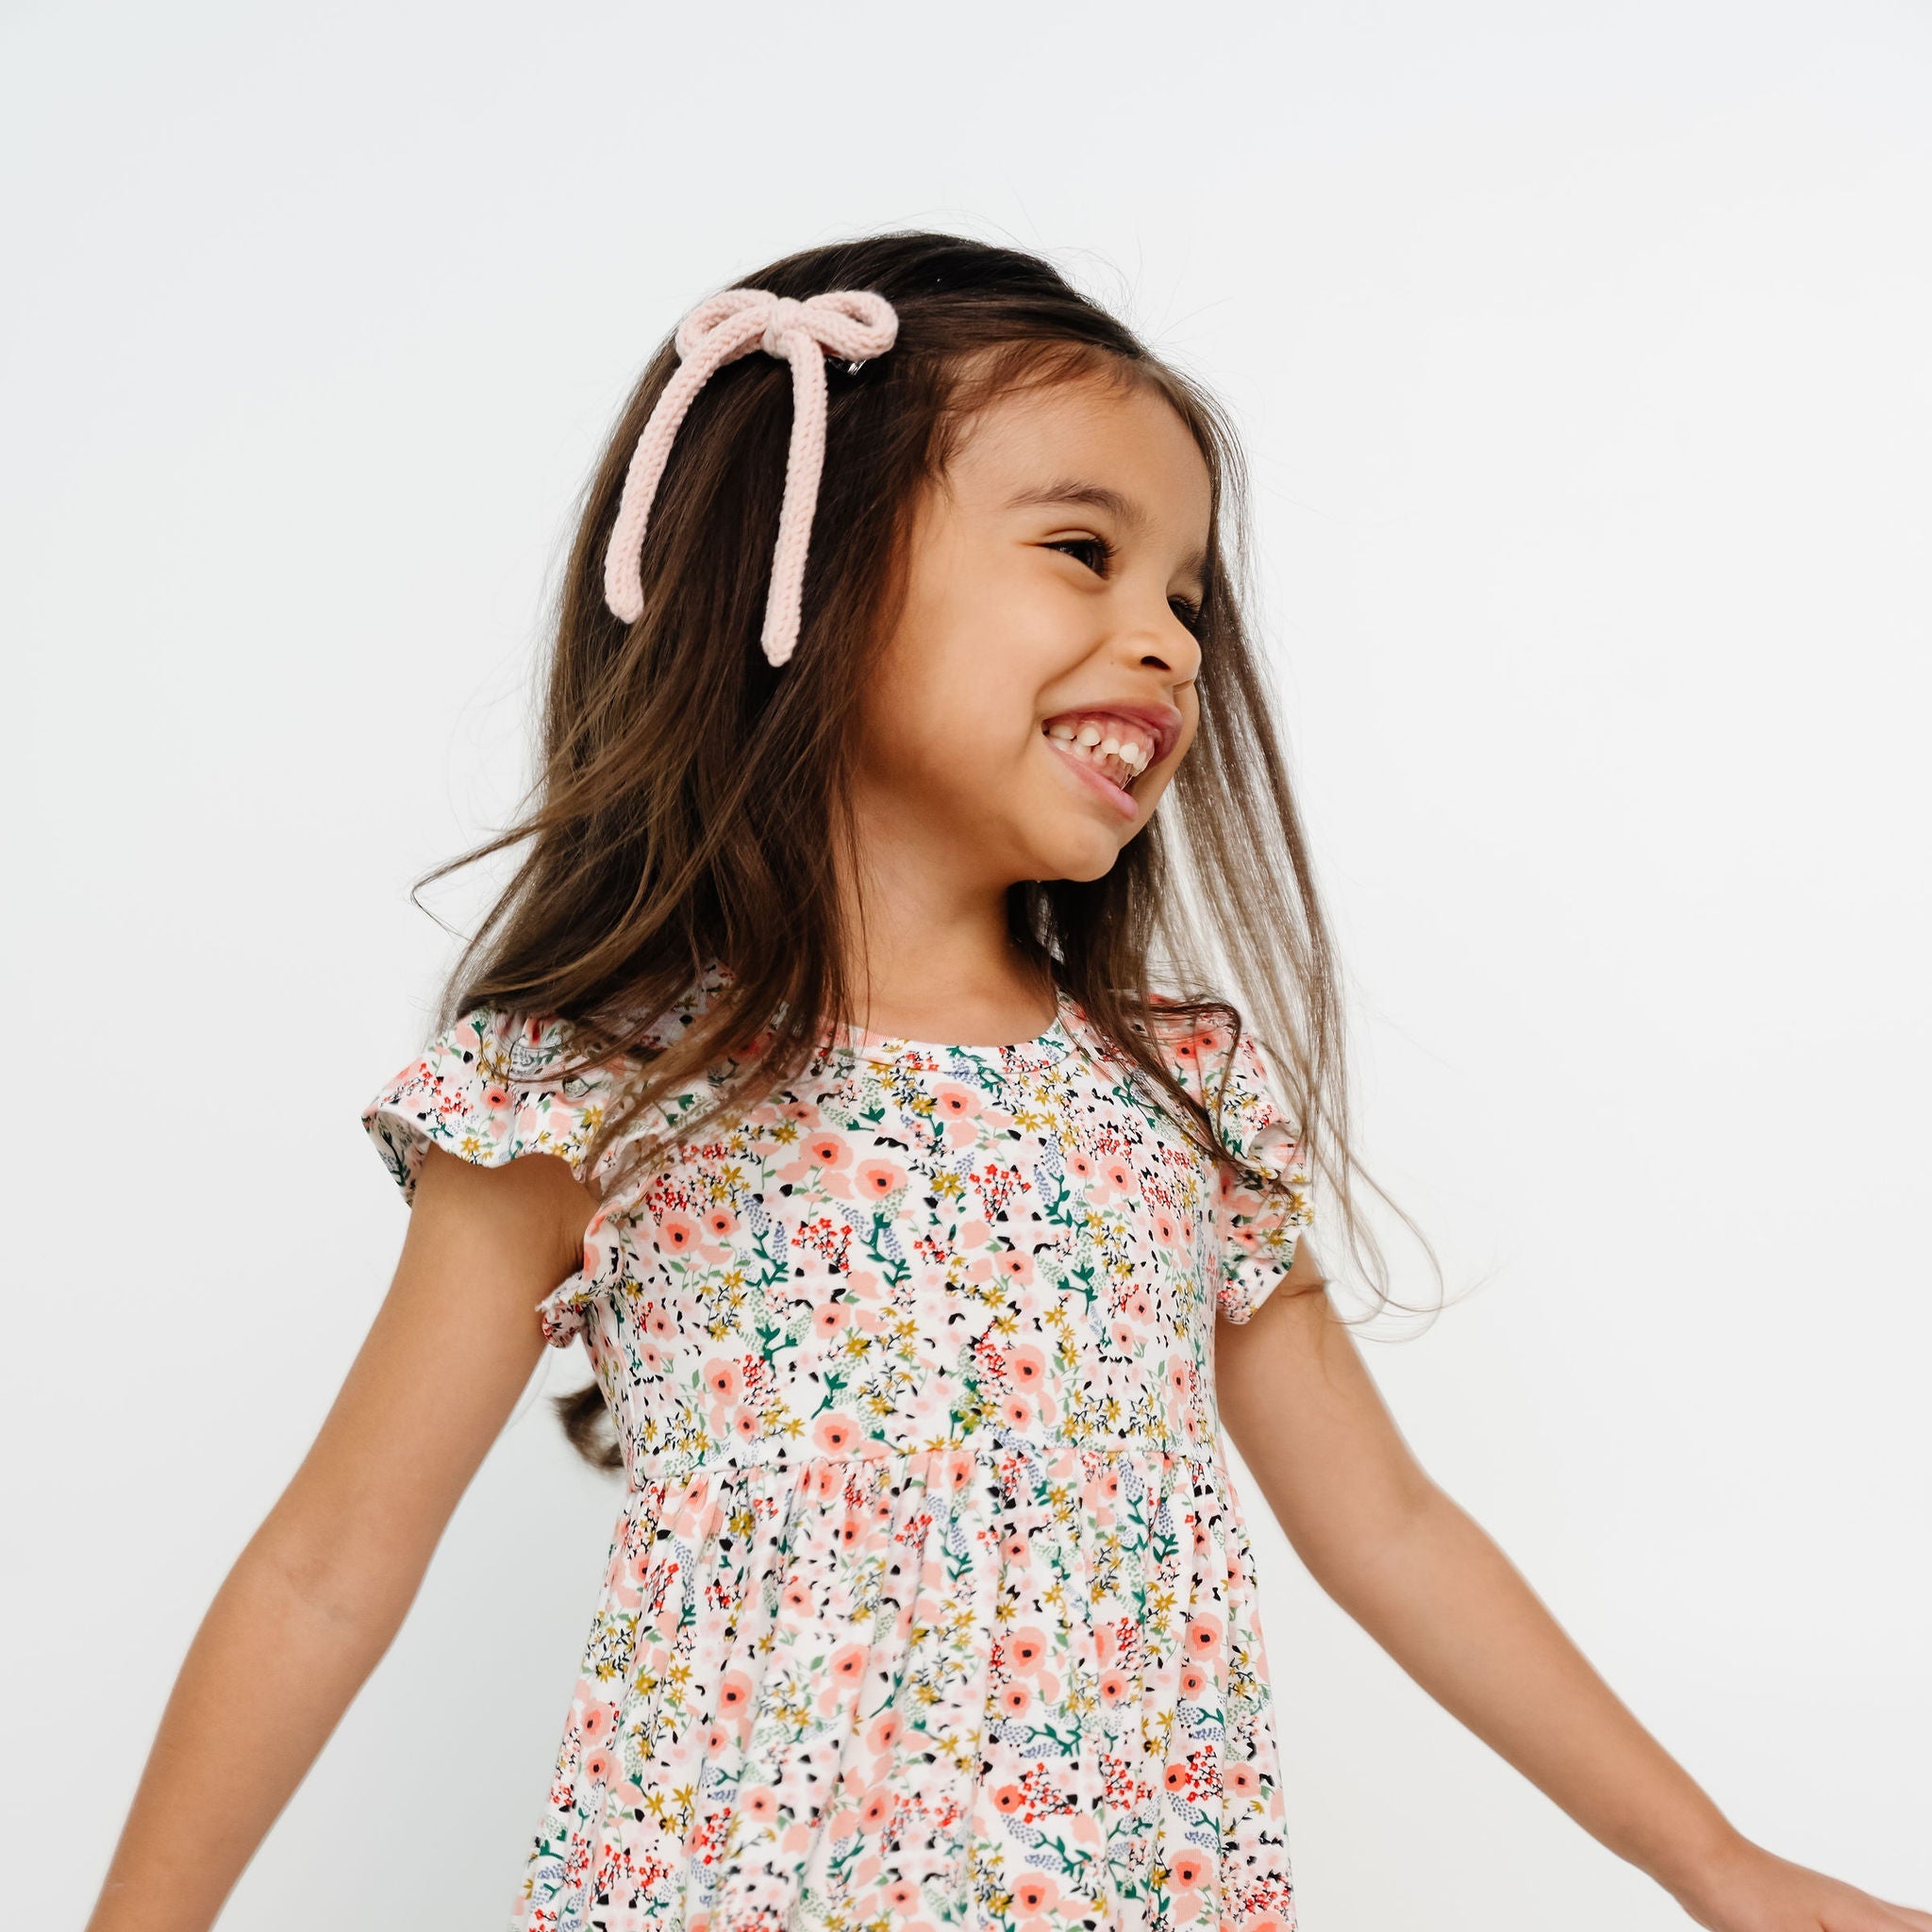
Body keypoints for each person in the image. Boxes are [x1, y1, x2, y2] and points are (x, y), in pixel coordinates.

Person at [84, 231, 1926, 1932]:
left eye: (1187, 593)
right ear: (805, 567)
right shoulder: (593, 1087)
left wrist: (1718, 1867)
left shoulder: (1177, 1096)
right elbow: (331, 1565)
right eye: (1082, 552)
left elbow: (1390, 1529)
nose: (1170, 640)